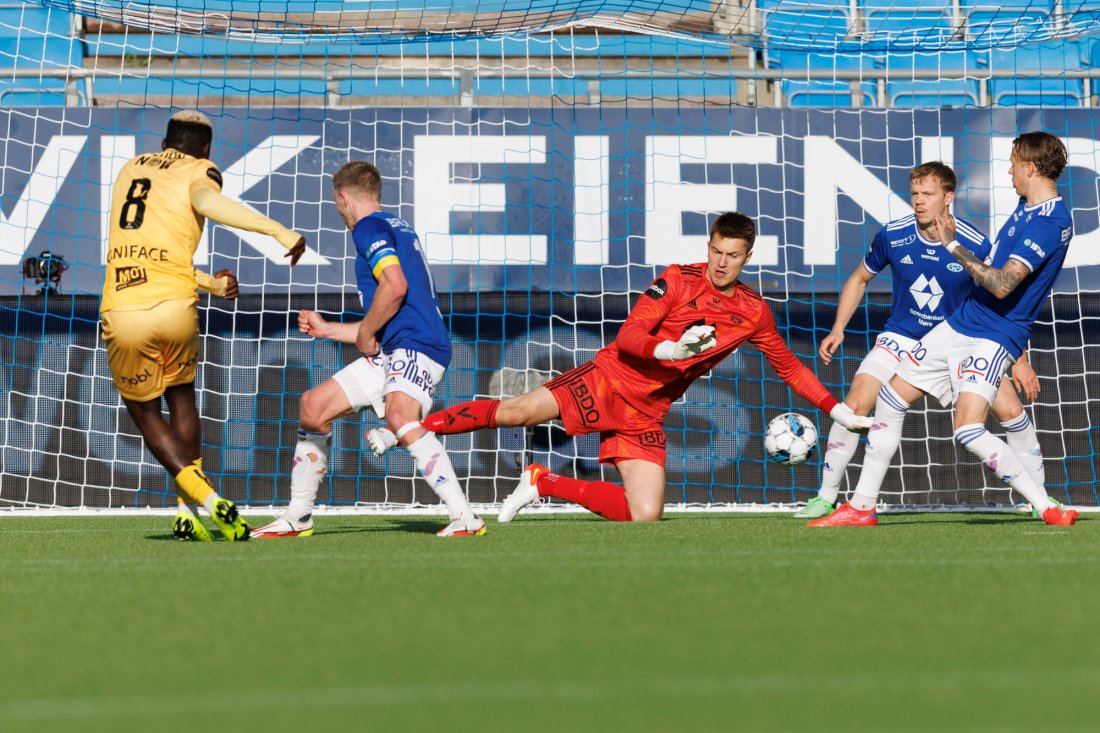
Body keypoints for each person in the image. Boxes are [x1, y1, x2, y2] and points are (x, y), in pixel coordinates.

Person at [368, 212, 873, 523]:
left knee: (644, 514)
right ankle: (406, 430)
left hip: (646, 412)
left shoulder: (753, 312)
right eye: (716, 251)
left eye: (732, 256)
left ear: (747, 257)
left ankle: (543, 483)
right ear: (708, 247)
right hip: (607, 380)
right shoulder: (676, 281)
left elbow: (788, 367)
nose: (721, 263)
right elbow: (630, 337)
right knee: (517, 412)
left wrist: (837, 410)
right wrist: (668, 352)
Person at [809, 132, 1079, 527]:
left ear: (1030, 168)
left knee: (968, 428)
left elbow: (1004, 284)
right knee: (891, 396)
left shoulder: (1050, 222)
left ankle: (1045, 505)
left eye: (1013, 162)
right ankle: (861, 506)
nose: (1008, 170)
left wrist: (951, 245)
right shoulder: (1026, 207)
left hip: (994, 335)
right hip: (961, 323)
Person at [251, 160, 485, 539]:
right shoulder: (395, 226)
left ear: (343, 198)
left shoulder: (366, 228)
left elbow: (395, 288)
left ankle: (465, 517)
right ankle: (299, 516)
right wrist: (329, 329)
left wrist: (366, 334)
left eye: (336, 204)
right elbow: (383, 320)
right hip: (395, 346)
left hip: (417, 344)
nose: (339, 211)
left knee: (399, 414)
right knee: (313, 407)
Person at [101, 110, 307, 541]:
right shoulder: (201, 169)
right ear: (207, 148)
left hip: (124, 303)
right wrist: (277, 230)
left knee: (143, 411)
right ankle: (187, 508)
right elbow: (206, 202)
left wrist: (213, 284)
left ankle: (205, 504)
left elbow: (144, 248)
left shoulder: (130, 168)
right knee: (181, 398)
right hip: (175, 305)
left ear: (164, 142)